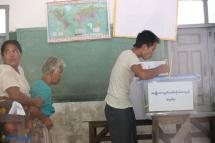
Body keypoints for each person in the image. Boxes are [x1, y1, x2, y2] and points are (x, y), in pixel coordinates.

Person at [104, 30, 170, 143]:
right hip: (117, 108)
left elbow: (140, 73)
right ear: (145, 46)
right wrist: (160, 69)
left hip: (122, 106)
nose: (152, 53)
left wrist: (157, 70)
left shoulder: (128, 56)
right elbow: (143, 75)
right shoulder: (130, 56)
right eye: (152, 49)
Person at [0, 40, 43, 142]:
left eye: (14, 51)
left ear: (20, 54)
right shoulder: (4, 70)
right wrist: (34, 102)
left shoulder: (19, 69)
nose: (11, 55)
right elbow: (15, 95)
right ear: (2, 57)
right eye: (7, 52)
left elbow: (24, 93)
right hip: (10, 116)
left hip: (20, 116)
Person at [29, 56, 65, 143]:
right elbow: (33, 110)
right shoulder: (45, 89)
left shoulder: (37, 85)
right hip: (38, 126)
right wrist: (45, 119)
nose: (61, 76)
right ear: (50, 71)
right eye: (59, 72)